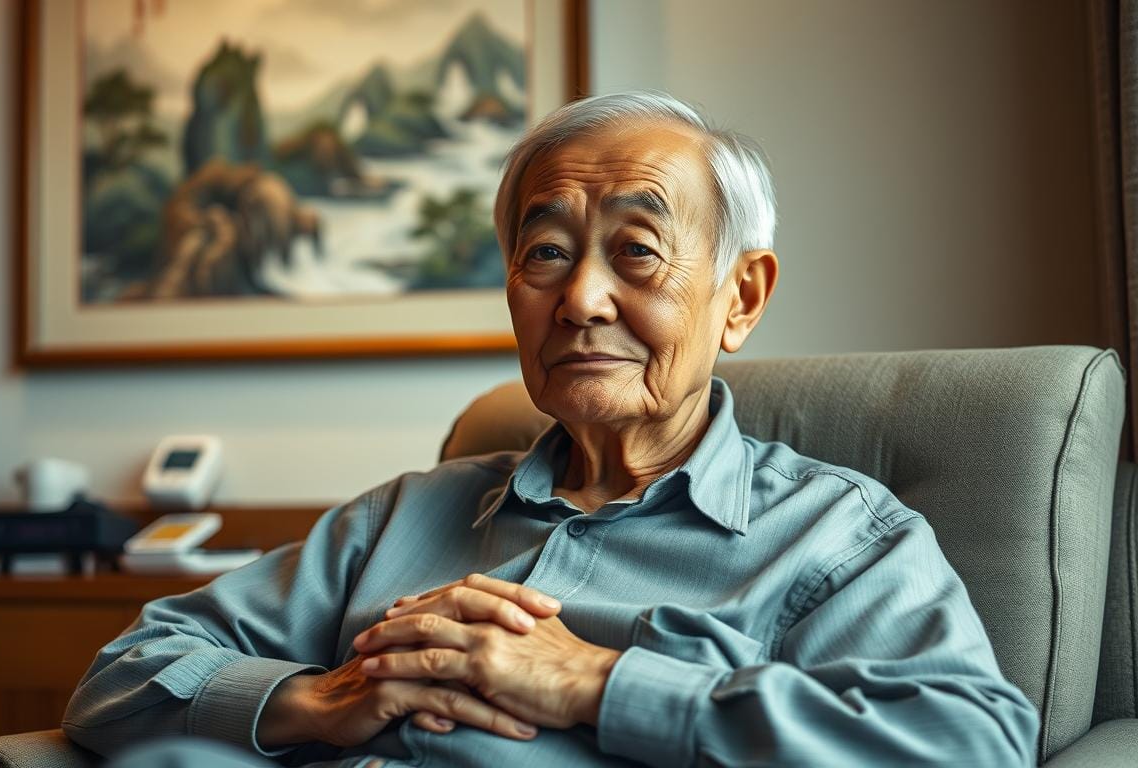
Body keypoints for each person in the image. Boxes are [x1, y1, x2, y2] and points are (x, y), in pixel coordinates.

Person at [63, 91, 1040, 767]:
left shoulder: (833, 540)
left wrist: (599, 684)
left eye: (637, 251)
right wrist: (321, 701)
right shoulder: (400, 518)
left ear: (740, 298)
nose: (580, 300)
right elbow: (120, 679)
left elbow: (973, 744)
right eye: (546, 254)